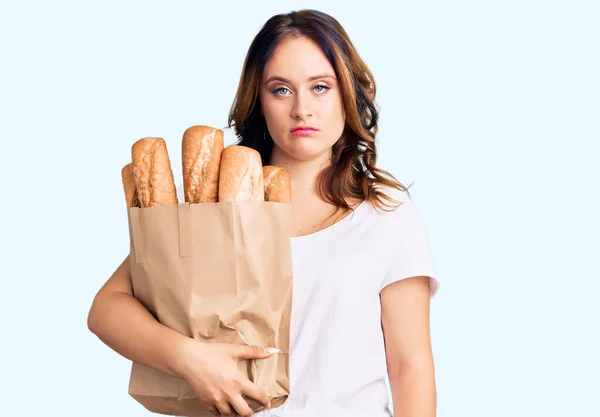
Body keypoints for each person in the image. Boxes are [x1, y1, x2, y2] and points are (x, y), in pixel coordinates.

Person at [88, 9, 440, 417]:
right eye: (281, 90)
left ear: (347, 94)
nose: (302, 110)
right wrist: (189, 359)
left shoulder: (385, 214)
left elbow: (409, 368)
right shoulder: (215, 205)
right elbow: (107, 309)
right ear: (259, 101)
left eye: (321, 87)